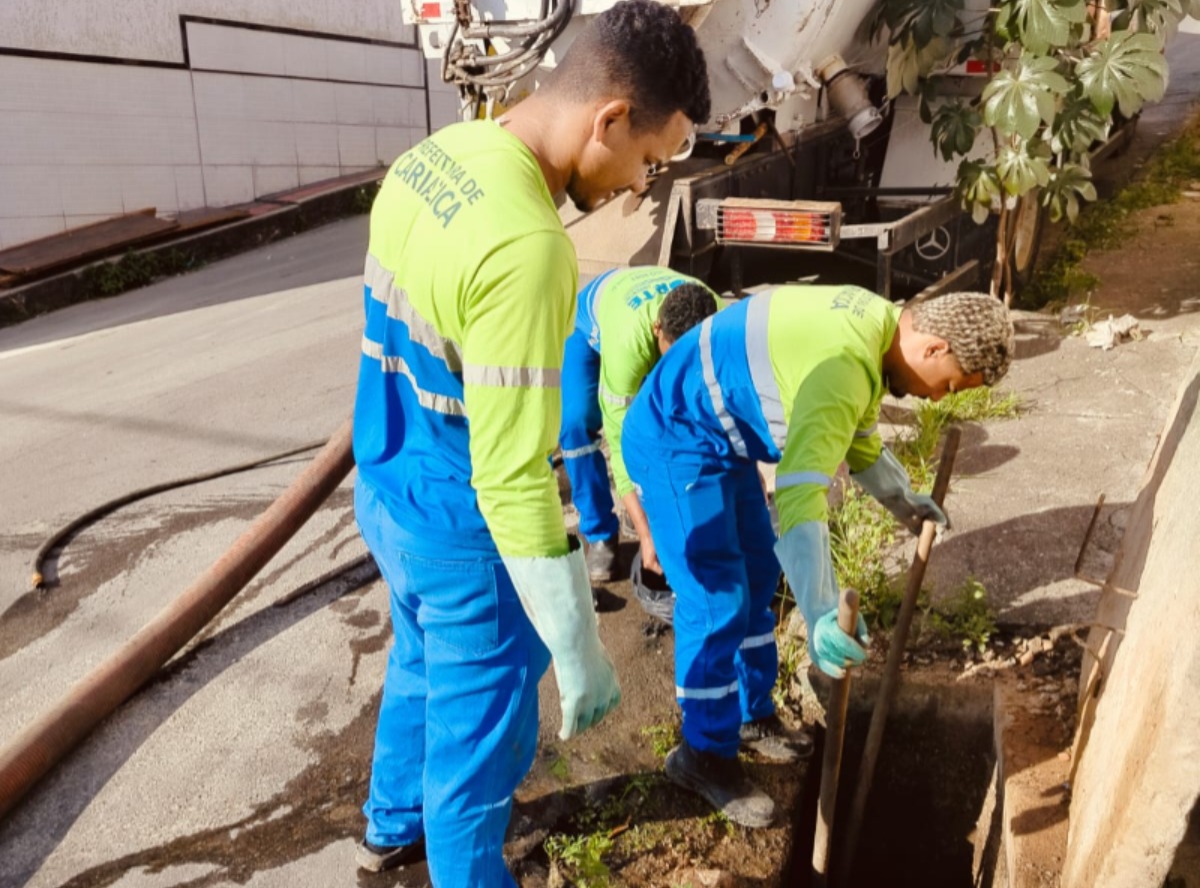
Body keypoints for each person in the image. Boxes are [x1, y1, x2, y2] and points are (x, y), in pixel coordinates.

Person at [350, 2, 710, 883]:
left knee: (418, 660)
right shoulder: (528, 247)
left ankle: (391, 820)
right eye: (646, 161)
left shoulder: (434, 157)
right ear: (610, 118)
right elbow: (511, 478)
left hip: (387, 480)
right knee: (479, 733)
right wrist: (575, 637)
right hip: (460, 524)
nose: (637, 186)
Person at [622, 286, 1014, 828]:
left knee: (759, 572)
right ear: (933, 347)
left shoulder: (874, 327)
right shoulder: (845, 367)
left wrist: (904, 501)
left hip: (716, 436)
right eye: (949, 384)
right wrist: (824, 613)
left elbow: (855, 438)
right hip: (675, 436)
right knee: (716, 598)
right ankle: (703, 753)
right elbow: (801, 493)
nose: (938, 399)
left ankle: (752, 715)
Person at [559, 266, 720, 582]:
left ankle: (665, 510)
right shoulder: (627, 345)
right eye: (673, 357)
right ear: (658, 329)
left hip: (643, 306)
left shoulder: (718, 319)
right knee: (576, 422)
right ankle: (600, 532)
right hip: (589, 323)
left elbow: (729, 410)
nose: (679, 369)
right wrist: (646, 536)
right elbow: (620, 446)